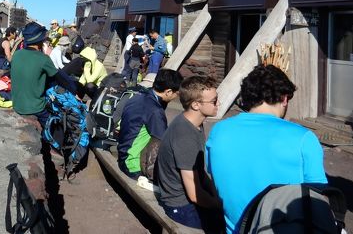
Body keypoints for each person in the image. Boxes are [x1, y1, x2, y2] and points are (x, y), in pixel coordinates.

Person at [205, 65, 328, 234]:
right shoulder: (304, 138)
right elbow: (319, 199)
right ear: (284, 98)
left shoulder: (219, 131)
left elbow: (215, 178)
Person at [157, 76, 223, 231]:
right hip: (179, 205)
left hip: (187, 197)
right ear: (195, 105)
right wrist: (220, 205)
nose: (218, 104)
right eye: (214, 101)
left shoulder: (194, 124)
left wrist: (216, 193)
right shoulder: (185, 135)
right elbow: (194, 194)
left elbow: (200, 173)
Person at [117, 68, 183, 179]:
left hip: (123, 154)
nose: (177, 97)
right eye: (177, 93)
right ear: (168, 92)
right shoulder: (155, 111)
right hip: (133, 164)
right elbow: (163, 142)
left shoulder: (138, 96)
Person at [11, 22, 76, 128]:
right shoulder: (43, 58)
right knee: (56, 125)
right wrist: (74, 90)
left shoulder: (17, 54)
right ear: (40, 41)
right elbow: (59, 78)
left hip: (16, 104)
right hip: (35, 108)